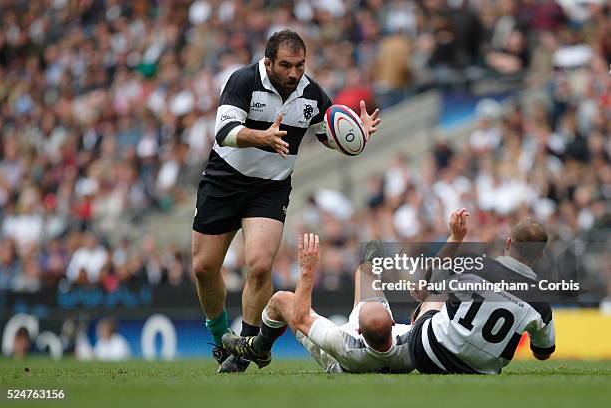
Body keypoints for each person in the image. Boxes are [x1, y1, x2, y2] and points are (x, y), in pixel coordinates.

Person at [191, 30, 381, 373]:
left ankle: (245, 350)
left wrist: (356, 135)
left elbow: (328, 136)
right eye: (286, 65)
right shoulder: (243, 81)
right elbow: (224, 132)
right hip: (223, 181)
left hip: (270, 187)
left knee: (261, 265)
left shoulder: (311, 93)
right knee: (204, 268)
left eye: (300, 65)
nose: (294, 73)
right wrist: (260, 137)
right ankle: (221, 336)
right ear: (268, 62)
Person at [222, 234, 414, 374]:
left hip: (339, 361)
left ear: (358, 329)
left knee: (280, 300)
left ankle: (258, 348)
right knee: (365, 271)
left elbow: (300, 318)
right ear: (392, 322)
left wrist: (307, 270)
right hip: (380, 350)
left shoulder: (340, 342)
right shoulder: (413, 341)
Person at [408, 211, 556, 374]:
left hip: (427, 354)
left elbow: (428, 280)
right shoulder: (540, 304)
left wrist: (455, 238)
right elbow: (543, 353)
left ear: (508, 243)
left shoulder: (472, 264)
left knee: (436, 293)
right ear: (541, 253)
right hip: (479, 371)